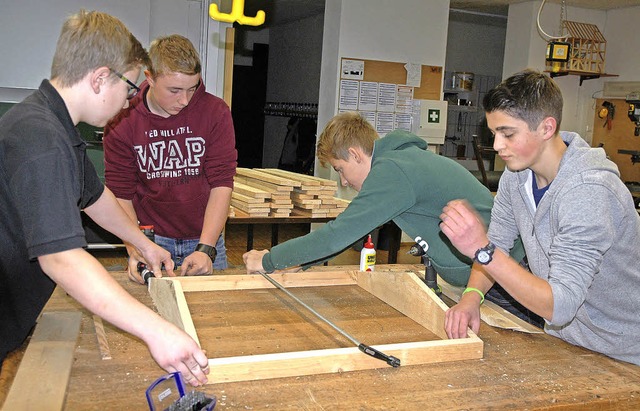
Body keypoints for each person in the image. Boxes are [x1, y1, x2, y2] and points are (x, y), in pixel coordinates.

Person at [0, 10, 209, 384]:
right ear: (99, 78)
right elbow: (62, 260)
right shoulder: (42, 140)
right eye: (129, 87)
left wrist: (143, 244)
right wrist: (155, 330)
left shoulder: (55, 126)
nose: (131, 100)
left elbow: (96, 199)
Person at [440, 69, 640, 365]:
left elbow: (560, 305)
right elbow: (499, 242)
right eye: (494, 133)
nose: (496, 145)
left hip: (624, 353)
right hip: (566, 342)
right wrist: (471, 298)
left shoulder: (589, 191)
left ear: (547, 128)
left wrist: (481, 250)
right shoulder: (515, 176)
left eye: (507, 134)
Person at [243, 111, 526, 292]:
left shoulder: (392, 172)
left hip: (500, 275)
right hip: (488, 271)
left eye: (340, 169)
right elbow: (343, 237)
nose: (343, 181)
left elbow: (335, 235)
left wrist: (268, 260)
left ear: (355, 154)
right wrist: (298, 264)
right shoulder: (398, 161)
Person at [104, 34, 237, 282]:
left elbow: (222, 183)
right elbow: (120, 193)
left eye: (192, 88)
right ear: (150, 78)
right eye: (174, 90)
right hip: (151, 239)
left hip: (205, 237)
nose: (184, 100)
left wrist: (206, 248)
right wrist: (136, 247)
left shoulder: (215, 112)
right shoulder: (123, 119)